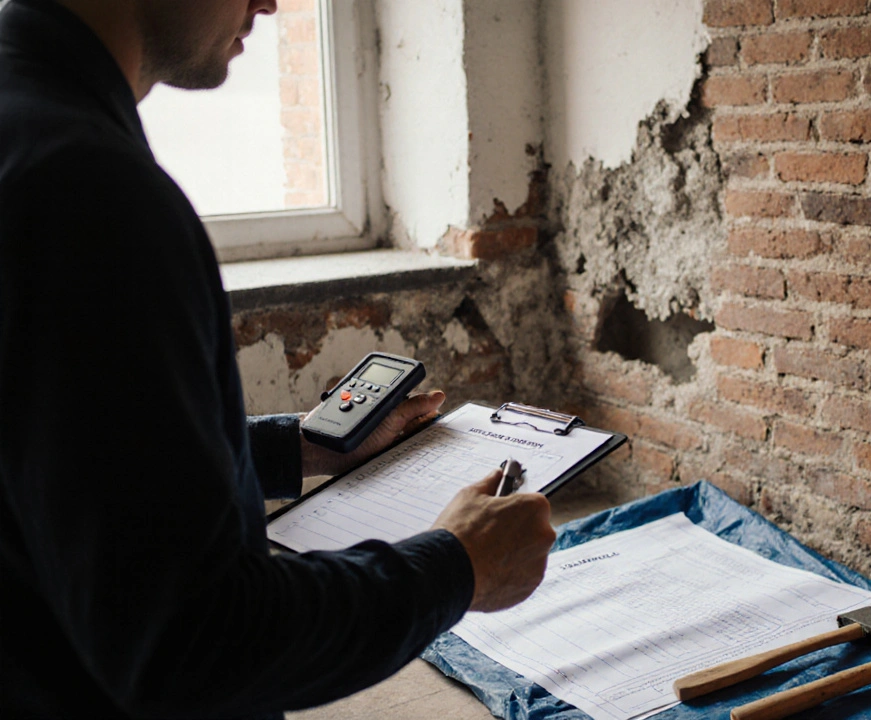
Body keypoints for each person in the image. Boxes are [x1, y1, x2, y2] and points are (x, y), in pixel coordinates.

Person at [0, 1, 557, 717]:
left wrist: (304, 447)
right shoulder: (89, 193)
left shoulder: (24, 125)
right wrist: (457, 565)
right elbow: (199, 642)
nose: (269, 1)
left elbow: (71, 463)